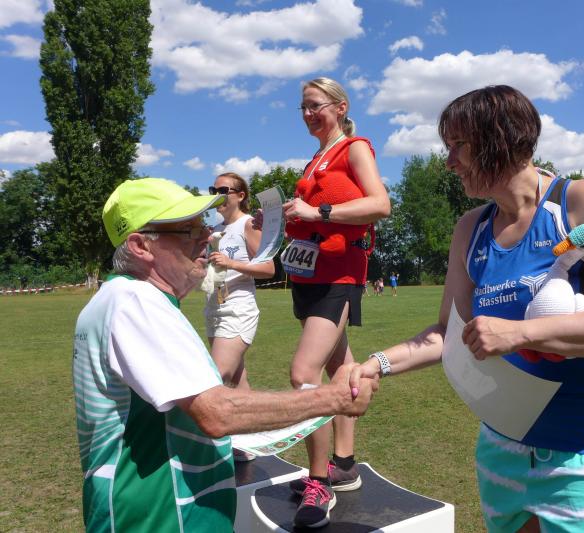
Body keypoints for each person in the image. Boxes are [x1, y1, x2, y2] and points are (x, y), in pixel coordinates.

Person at [350, 86, 584, 533]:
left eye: (458, 145)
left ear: (501, 139)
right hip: (503, 452)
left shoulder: (581, 201)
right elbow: (449, 331)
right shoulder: (470, 228)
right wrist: (377, 364)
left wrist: (521, 334)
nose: (449, 162)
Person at [73, 178, 377, 533]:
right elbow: (217, 412)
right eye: (189, 230)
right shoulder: (136, 303)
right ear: (141, 246)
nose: (206, 235)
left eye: (203, 225)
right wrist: (334, 398)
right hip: (159, 520)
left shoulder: (121, 298)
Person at [281, 77, 390, 528]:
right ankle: (343, 463)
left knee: (303, 374)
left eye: (315, 105)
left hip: (339, 276)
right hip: (309, 274)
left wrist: (318, 212)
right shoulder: (316, 158)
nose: (308, 114)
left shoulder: (355, 148)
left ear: (340, 107)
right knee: (340, 367)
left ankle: (319, 481)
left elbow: (380, 205)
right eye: (303, 107)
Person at [205, 172, 274, 395]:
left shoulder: (249, 224)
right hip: (214, 308)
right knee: (237, 384)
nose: (217, 195)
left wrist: (231, 263)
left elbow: (268, 268)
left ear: (241, 196)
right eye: (213, 191)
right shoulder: (215, 229)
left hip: (237, 309)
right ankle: (255, 417)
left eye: (223, 191)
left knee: (216, 378)